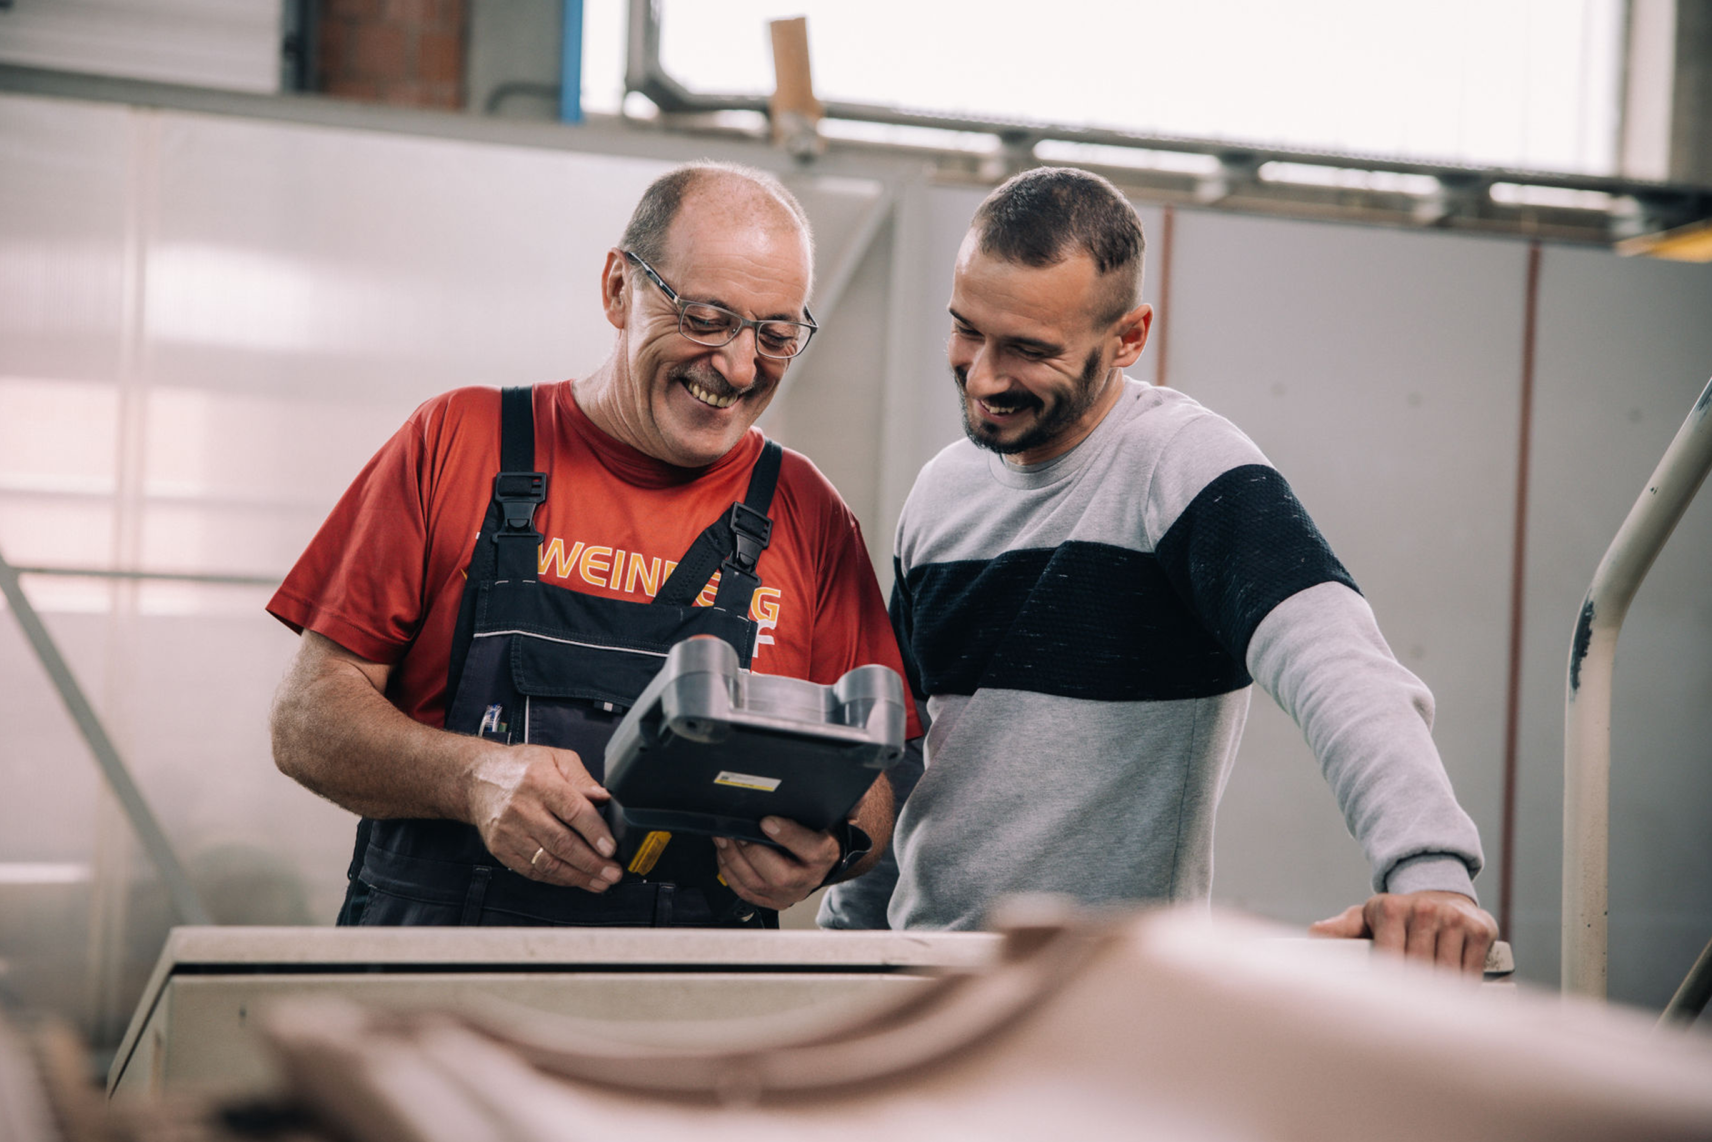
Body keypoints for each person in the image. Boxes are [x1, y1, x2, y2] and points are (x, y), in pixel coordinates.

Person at [820, 166, 1498, 973]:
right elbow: (906, 750)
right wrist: (842, 952)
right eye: (969, 331)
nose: (986, 376)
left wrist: (1430, 873)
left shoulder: (1183, 469)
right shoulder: (941, 492)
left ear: (1129, 338)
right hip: (921, 977)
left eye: (1031, 350)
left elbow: (1337, 663)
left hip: (1101, 994)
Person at [268, 162, 918, 929]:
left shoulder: (807, 514)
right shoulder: (456, 443)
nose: (740, 367)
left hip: (691, 1010)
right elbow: (307, 720)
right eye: (706, 319)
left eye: (775, 336)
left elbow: (879, 784)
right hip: (436, 990)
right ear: (618, 288)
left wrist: (830, 849)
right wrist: (472, 776)